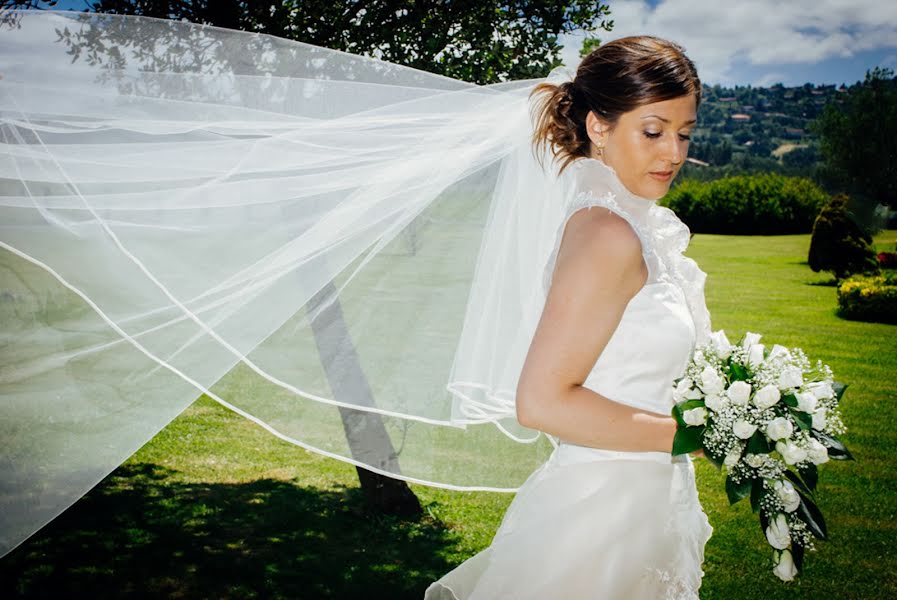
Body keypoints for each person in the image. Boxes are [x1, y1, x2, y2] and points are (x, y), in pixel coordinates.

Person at [425, 36, 714, 599]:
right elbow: (542, 402)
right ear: (598, 126)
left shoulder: (633, 228)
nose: (674, 153)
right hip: (600, 520)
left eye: (684, 133)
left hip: (643, 507)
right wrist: (691, 436)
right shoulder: (606, 234)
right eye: (653, 131)